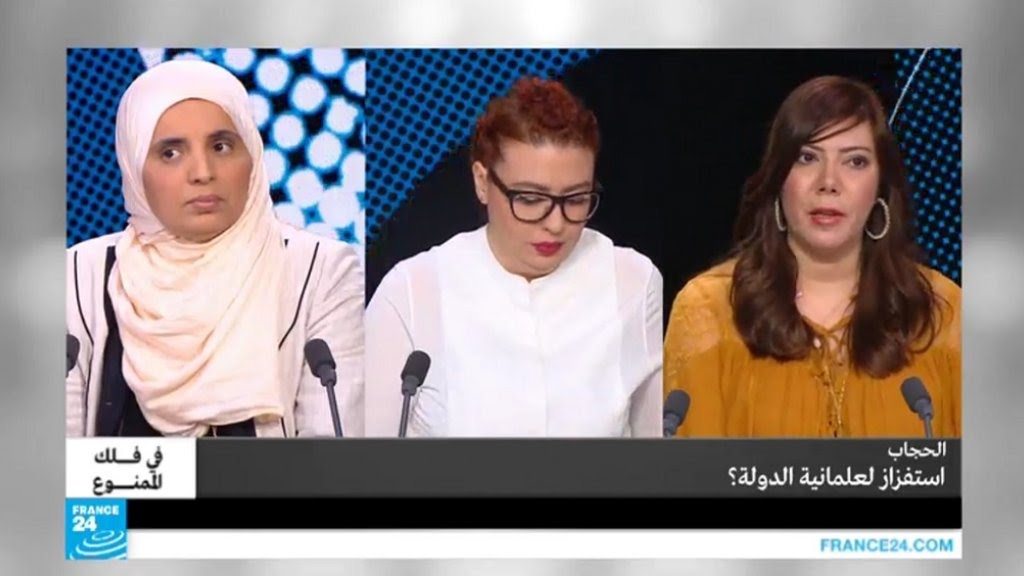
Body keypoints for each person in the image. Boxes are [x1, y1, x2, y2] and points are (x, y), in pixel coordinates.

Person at [65, 59, 365, 437]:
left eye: (221, 146)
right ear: (134, 165)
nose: (203, 172)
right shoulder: (79, 275)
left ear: (252, 154)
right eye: (171, 153)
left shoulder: (321, 270)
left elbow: (330, 449)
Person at [664, 75, 961, 438]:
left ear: (880, 186)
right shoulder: (709, 310)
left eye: (855, 162)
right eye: (807, 158)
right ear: (779, 177)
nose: (828, 182)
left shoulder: (943, 311)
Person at [364, 77, 663, 437]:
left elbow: (656, 449)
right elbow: (365, 457)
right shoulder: (413, 292)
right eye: (530, 199)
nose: (556, 224)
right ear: (482, 181)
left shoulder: (632, 281)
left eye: (576, 199)